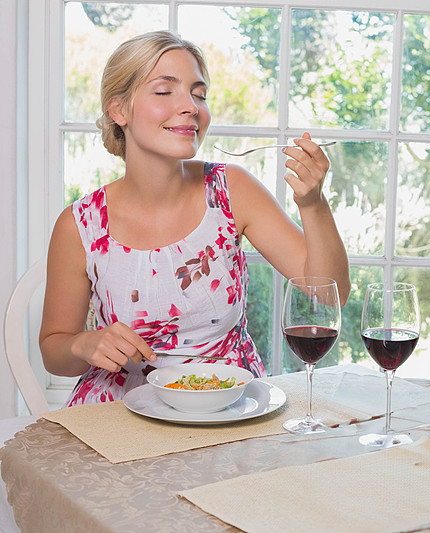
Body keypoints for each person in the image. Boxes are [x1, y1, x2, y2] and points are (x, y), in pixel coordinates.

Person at [39, 30, 351, 406]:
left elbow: (332, 293)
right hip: (119, 410)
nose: (190, 106)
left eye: (199, 94)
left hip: (229, 406)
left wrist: (313, 203)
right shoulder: (79, 225)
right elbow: (54, 351)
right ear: (119, 110)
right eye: (164, 91)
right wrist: (84, 344)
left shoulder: (231, 190)